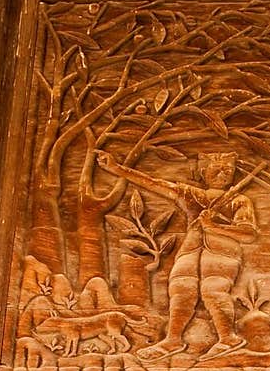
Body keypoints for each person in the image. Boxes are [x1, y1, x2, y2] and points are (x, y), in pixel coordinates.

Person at [97, 150, 258, 356]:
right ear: (203, 172)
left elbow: (248, 233)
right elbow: (153, 183)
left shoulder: (239, 200)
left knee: (213, 288)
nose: (222, 174)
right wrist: (116, 168)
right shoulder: (191, 194)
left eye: (228, 170)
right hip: (191, 247)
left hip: (222, 251)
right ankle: (173, 340)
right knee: (181, 288)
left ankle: (228, 338)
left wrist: (213, 227)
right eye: (216, 169)